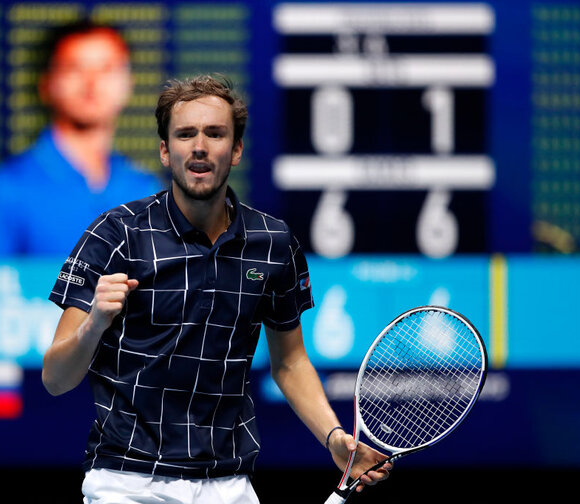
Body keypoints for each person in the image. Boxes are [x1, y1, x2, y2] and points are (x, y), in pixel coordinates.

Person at [43, 75, 391, 503]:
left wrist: (335, 438)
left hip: (229, 483)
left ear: (237, 149)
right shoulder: (117, 234)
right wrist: (94, 323)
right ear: (166, 151)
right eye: (185, 134)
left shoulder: (273, 243)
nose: (200, 146)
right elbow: (55, 379)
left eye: (215, 133)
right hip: (126, 479)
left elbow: (289, 362)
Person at [0, 20, 163, 255]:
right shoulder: (6, 188)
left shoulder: (144, 188)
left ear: (129, 84)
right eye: (74, 68)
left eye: (108, 68)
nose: (92, 83)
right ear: (47, 84)